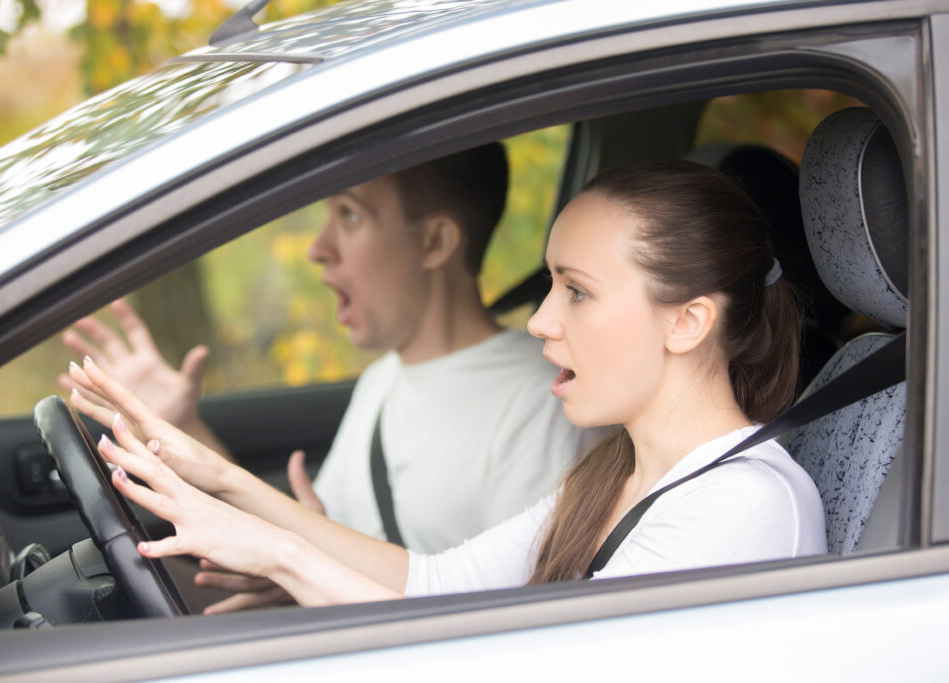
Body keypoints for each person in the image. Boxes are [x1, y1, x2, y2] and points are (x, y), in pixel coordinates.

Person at [68, 159, 826, 607]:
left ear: (687, 321)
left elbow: (519, 666)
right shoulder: (615, 476)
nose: (539, 320)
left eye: (577, 291)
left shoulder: (743, 507)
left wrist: (278, 555)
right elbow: (430, 584)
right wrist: (215, 474)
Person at [61, 143, 593, 555]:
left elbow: (511, 622)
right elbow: (314, 538)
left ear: (434, 242)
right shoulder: (382, 382)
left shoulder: (541, 404)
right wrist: (182, 429)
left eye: (351, 216)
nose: (318, 248)